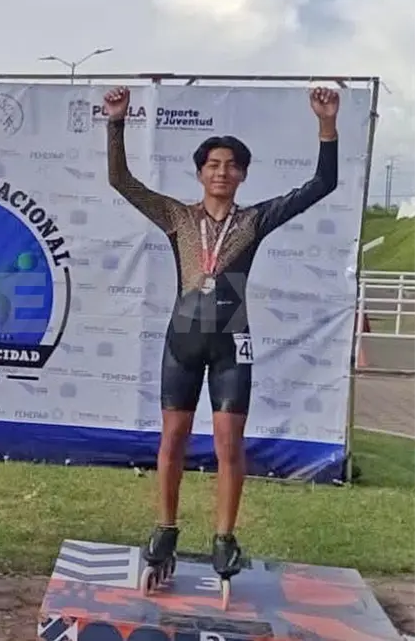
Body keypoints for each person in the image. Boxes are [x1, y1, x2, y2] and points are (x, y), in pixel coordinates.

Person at [103, 85, 339, 585]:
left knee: (230, 443)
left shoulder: (255, 220)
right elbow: (121, 180)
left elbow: (322, 183)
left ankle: (224, 537)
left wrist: (326, 125)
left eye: (231, 165)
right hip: (182, 341)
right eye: (213, 163)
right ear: (200, 171)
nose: (222, 172)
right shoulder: (177, 217)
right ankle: (165, 529)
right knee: (173, 439)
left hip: (233, 342)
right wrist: (117, 121)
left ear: (243, 174)